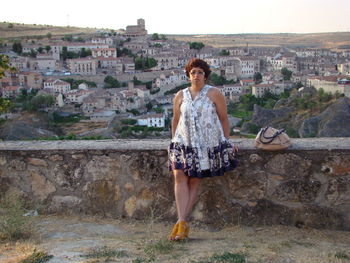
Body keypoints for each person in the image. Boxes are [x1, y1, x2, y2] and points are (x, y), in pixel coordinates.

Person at [168, 58, 238, 241]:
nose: (196, 75)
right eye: (193, 72)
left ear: (205, 76)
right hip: (183, 143)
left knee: (194, 181)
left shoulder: (214, 94)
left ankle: (181, 224)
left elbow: (223, 119)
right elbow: (176, 119)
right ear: (188, 75)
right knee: (179, 177)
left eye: (200, 72)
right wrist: (173, 140)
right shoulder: (180, 95)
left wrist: (226, 142)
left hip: (204, 145)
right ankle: (182, 222)